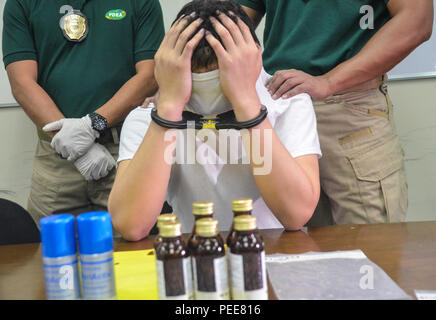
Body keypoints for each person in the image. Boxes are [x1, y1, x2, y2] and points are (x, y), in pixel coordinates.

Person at [108, 0, 322, 241]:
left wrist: (247, 105)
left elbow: (296, 215)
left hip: (273, 253)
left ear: (251, 63)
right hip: (194, 252)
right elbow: (131, 225)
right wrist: (168, 111)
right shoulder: (149, 117)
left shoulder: (288, 104)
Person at [236, 0, 434, 225]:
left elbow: (417, 20)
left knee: (369, 248)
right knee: (293, 244)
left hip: (347, 110)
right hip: (280, 108)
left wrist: (329, 82)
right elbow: (235, 18)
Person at [2, 0, 164, 227]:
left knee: (133, 245)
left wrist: (92, 124)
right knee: (47, 252)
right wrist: (76, 147)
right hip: (56, 156)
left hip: (125, 152)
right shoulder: (22, 3)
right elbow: (21, 82)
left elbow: (149, 75)